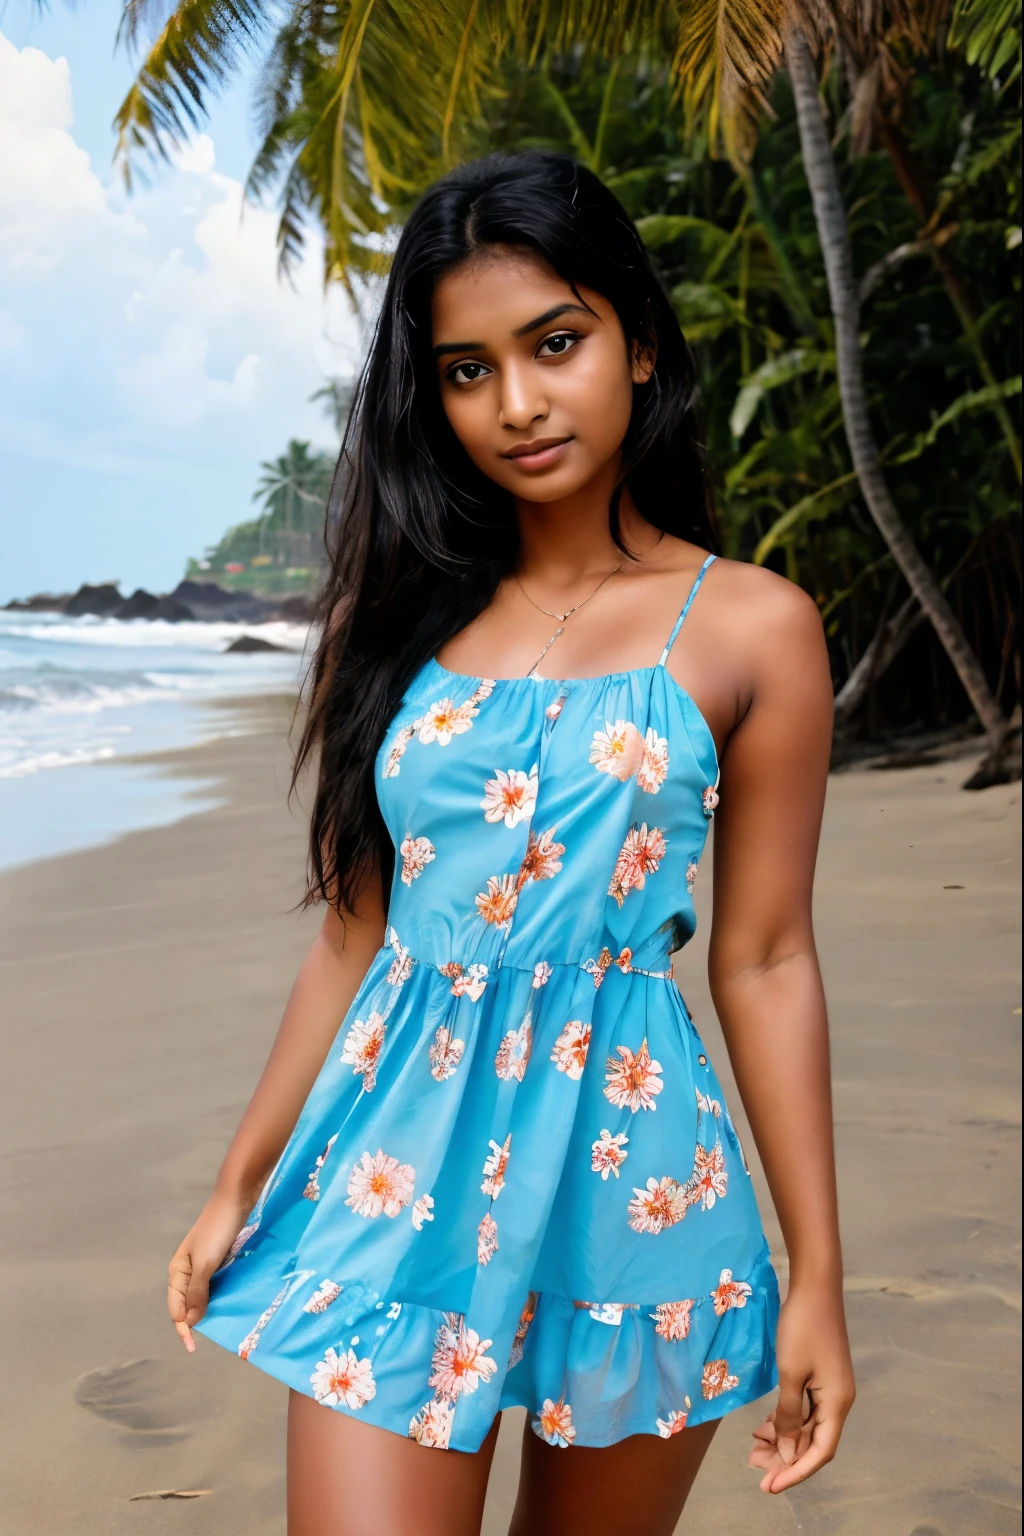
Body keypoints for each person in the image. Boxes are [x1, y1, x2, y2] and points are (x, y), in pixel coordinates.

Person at [167, 152, 855, 1536]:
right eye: (468, 370)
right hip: (392, 1171)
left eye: (556, 343)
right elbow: (356, 931)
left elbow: (767, 957)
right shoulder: (408, 620)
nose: (518, 404)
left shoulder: (752, 627)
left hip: (636, 1185)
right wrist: (238, 1180)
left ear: (638, 341)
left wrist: (820, 1277)